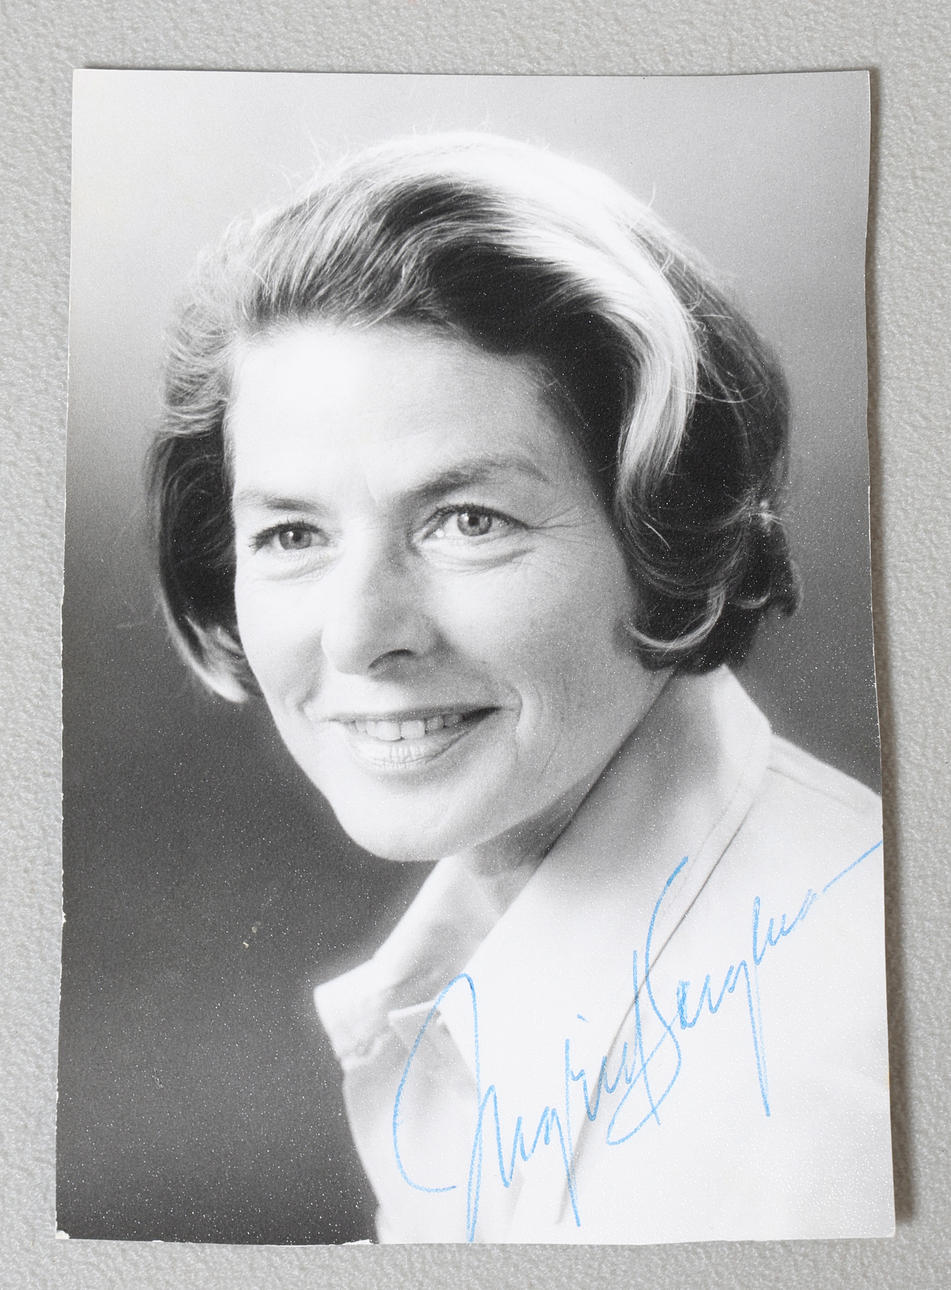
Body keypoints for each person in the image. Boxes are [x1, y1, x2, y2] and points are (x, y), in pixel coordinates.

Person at [149, 134, 893, 1244]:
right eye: (292, 533)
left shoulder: (822, 1078)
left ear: (662, 531)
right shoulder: (497, 956)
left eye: (468, 521)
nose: (358, 635)